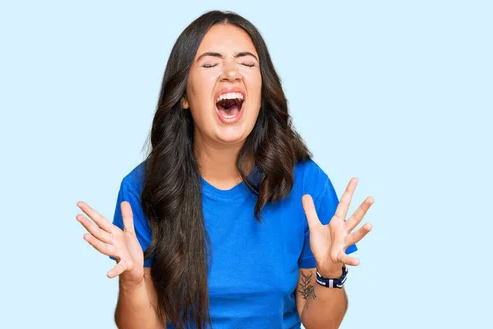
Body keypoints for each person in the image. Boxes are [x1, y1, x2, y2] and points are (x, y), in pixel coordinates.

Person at [76, 10, 373, 329]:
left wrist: (329, 275)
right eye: (210, 63)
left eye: (246, 63)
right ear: (184, 97)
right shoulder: (144, 186)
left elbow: (320, 324)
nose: (231, 73)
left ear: (261, 91)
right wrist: (132, 282)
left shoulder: (306, 184)